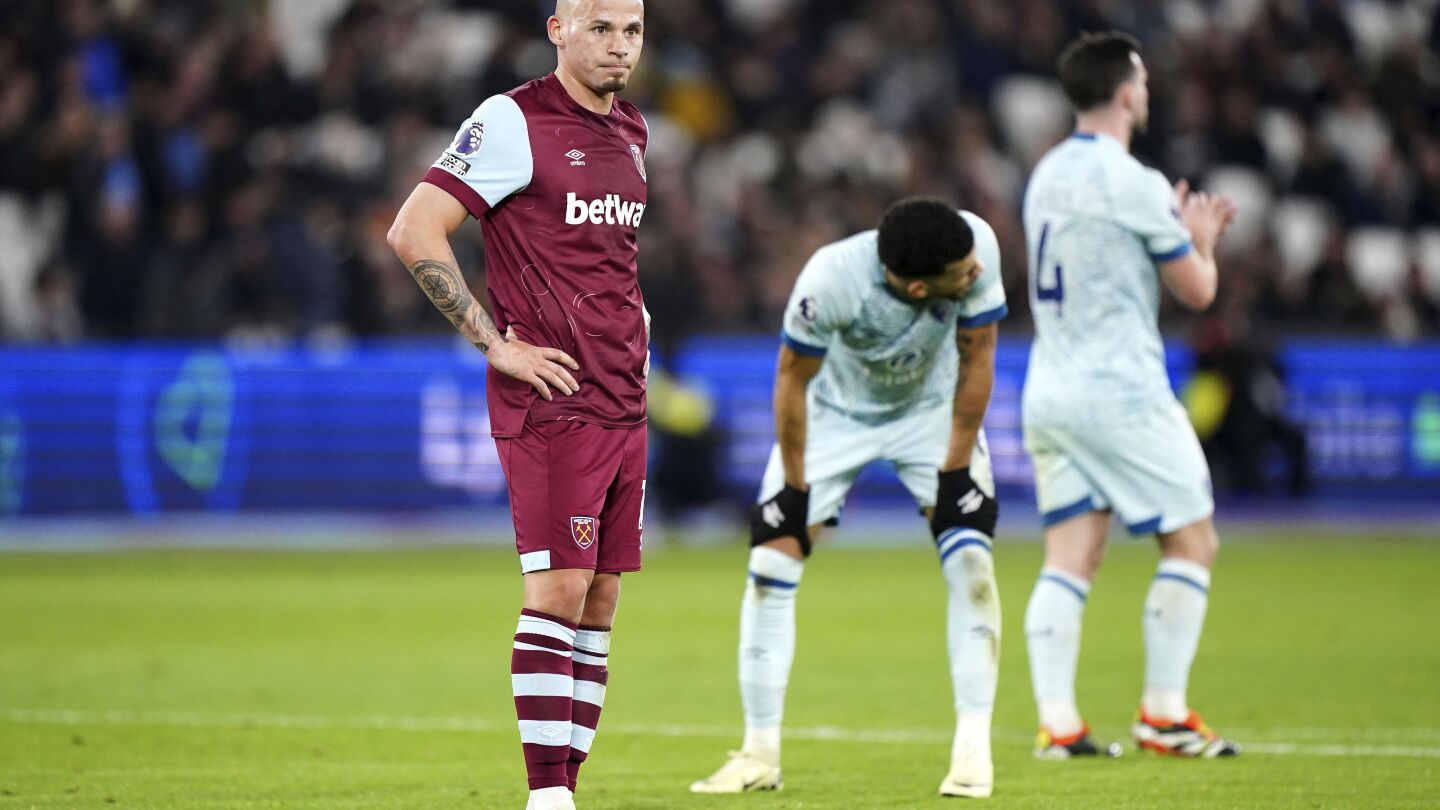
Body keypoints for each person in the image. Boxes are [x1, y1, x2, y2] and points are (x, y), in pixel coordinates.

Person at [386, 2, 649, 808]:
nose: (619, 46)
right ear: (558, 30)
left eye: (633, 30)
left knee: (599, 602)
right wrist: (494, 343)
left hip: (624, 397)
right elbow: (414, 231)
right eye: (600, 28)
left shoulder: (633, 131)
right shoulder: (512, 120)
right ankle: (546, 796)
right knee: (558, 594)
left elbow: (611, 263)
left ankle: (566, 791)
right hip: (553, 399)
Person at [690, 198, 1009, 798]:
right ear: (919, 288)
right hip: (833, 416)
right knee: (769, 569)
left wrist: (956, 466)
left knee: (972, 561)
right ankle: (758, 754)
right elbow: (791, 380)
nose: (978, 273)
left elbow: (979, 356)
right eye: (962, 274)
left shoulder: (975, 246)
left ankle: (973, 750)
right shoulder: (830, 281)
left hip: (931, 412)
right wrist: (794, 483)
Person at [1019, 31, 1241, 759]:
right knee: (1194, 541)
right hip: (1121, 391)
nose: (1145, 93)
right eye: (1141, 83)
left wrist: (1159, 228)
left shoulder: (1045, 174)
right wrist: (1198, 237)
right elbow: (1197, 291)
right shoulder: (1135, 181)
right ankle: (1164, 715)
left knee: (1071, 557)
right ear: (1124, 93)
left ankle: (1059, 725)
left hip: (1050, 389)